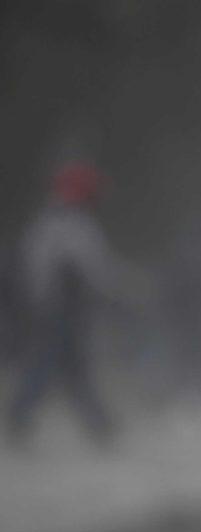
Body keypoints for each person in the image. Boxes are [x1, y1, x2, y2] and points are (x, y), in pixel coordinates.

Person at [6, 162, 125, 445]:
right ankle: (21, 418)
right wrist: (117, 292)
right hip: (62, 309)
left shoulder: (48, 223)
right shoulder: (72, 226)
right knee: (53, 366)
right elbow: (95, 270)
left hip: (52, 308)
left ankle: (99, 425)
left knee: (70, 369)